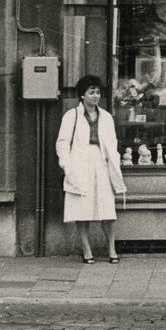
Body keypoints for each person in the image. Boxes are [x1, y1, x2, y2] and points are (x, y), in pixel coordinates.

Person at [55, 75, 127, 264]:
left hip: (102, 163)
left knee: (107, 209)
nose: (96, 96)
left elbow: (112, 143)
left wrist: (114, 162)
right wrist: (67, 165)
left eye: (98, 92)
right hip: (80, 164)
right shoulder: (72, 116)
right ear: (82, 95)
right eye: (91, 92)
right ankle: (86, 249)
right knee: (82, 208)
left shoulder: (106, 117)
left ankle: (111, 248)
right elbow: (62, 143)